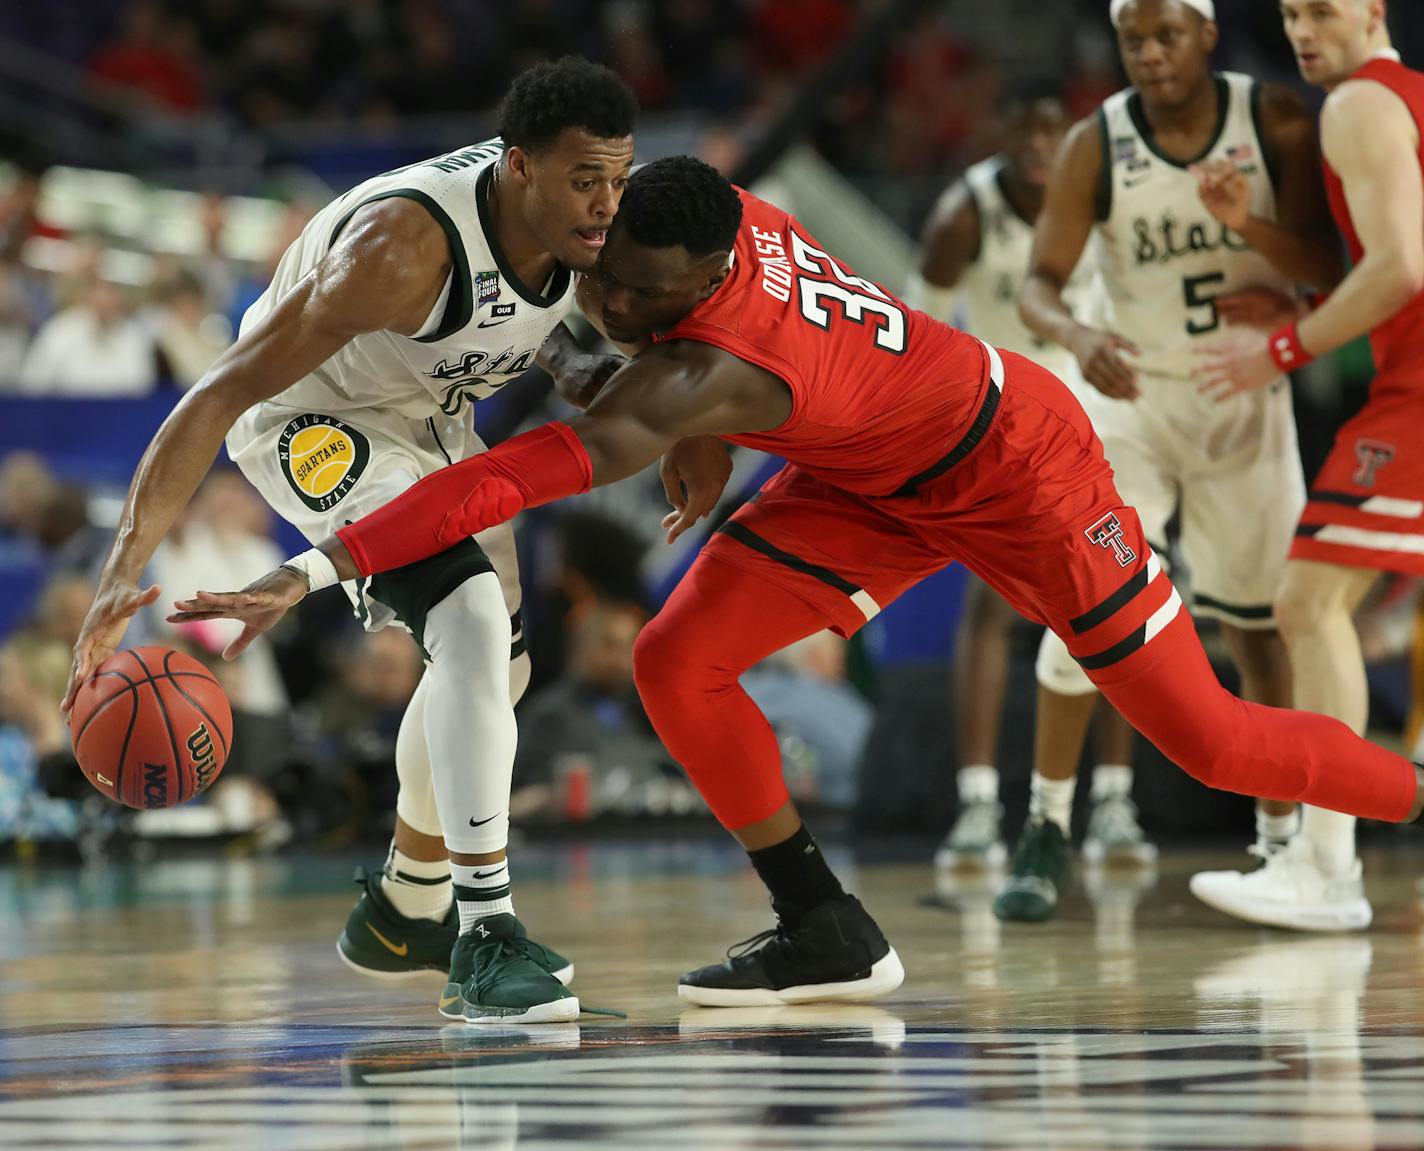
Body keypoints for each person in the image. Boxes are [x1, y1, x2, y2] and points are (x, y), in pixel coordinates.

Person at [170, 155, 1424, 1009]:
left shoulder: (695, 367)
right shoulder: (720, 216)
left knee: (1203, 738)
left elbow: (508, 479)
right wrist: (710, 428)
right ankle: (822, 923)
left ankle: (1410, 788)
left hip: (1023, 466)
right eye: (605, 271)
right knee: (674, 660)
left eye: (639, 296)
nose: (604, 299)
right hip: (867, 473)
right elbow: (745, 274)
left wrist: (320, 560)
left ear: (708, 282)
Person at [63, 57, 638, 1025]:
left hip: (430, 418)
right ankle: (483, 933)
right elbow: (218, 393)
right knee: (463, 616)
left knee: (499, 672)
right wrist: (118, 574)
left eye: (618, 180)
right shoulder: (397, 249)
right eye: (587, 180)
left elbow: (530, 328)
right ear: (518, 169)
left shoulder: (575, 232)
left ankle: (406, 902)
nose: (606, 205)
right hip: (309, 418)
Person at [1011, 0, 1345, 923]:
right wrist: (1078, 333)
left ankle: (1280, 838)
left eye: (1167, 37)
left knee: (1262, 626)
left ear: (1206, 34)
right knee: (1087, 605)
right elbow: (1040, 283)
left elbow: (1327, 262)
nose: (1150, 56)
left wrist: (1254, 235)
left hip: (1244, 396)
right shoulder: (1096, 141)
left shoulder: (1271, 117)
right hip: (1134, 402)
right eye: (1133, 41)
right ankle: (1043, 824)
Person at [1189, 0, 1424, 931]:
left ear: (1374, 12)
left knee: (1308, 603)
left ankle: (1327, 865)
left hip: (1416, 391)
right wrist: (1273, 257)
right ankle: (1324, 858)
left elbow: (1402, 266)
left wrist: (1282, 347)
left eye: (1323, 11)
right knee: (1316, 605)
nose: (1301, 31)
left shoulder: (1360, 105)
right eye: (1290, 13)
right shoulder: (1401, 98)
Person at [908, 87, 1139, 873]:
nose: (1041, 141)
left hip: (1098, 420)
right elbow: (918, 333)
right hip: (1004, 419)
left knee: (1111, 600)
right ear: (998, 128)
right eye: (1025, 123)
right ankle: (978, 806)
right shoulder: (963, 216)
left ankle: (1113, 801)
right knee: (988, 605)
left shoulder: (1099, 191)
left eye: (1054, 126)